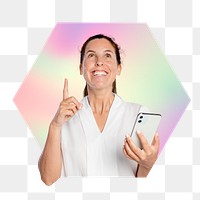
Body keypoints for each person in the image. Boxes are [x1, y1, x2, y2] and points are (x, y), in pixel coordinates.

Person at [38, 34, 160, 185]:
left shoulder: (139, 113)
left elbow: (142, 182)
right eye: (91, 55)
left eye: (107, 55)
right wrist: (55, 126)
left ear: (119, 68)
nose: (99, 62)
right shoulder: (65, 118)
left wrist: (147, 164)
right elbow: (48, 179)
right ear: (81, 68)